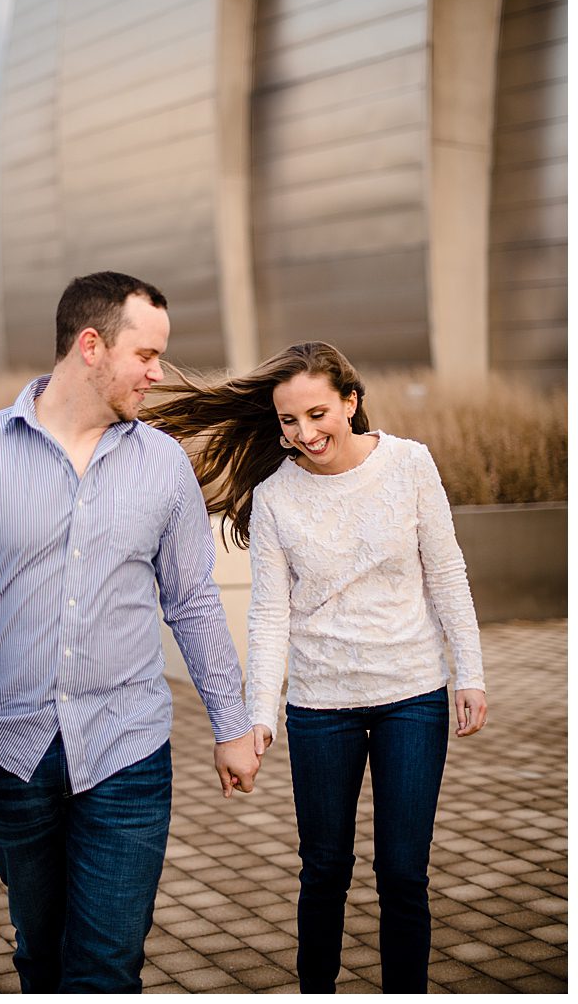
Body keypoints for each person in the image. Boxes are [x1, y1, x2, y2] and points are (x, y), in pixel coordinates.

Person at [0, 270, 262, 992]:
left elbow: (192, 601)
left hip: (128, 751)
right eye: (146, 355)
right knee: (40, 954)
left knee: (105, 967)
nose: (158, 374)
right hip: (10, 754)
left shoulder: (163, 468)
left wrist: (231, 722)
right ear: (91, 346)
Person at [147, 340, 487, 992]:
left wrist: (468, 671)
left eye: (318, 413)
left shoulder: (410, 464)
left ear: (351, 402)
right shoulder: (276, 497)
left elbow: (445, 573)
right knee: (324, 871)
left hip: (412, 695)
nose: (305, 433)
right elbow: (270, 616)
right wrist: (258, 721)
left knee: (403, 875)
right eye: (288, 421)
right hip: (319, 705)